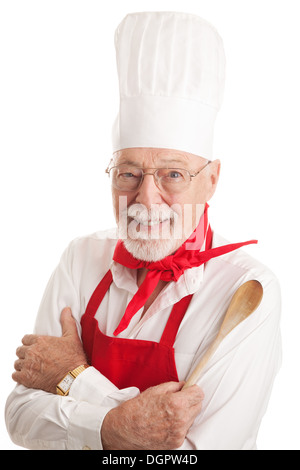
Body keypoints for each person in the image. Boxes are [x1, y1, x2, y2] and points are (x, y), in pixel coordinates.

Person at [5, 12, 281, 450]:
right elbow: (19, 416)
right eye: (129, 172)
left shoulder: (247, 290)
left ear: (211, 179)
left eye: (172, 175)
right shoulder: (80, 260)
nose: (145, 200)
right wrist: (116, 429)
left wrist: (75, 381)